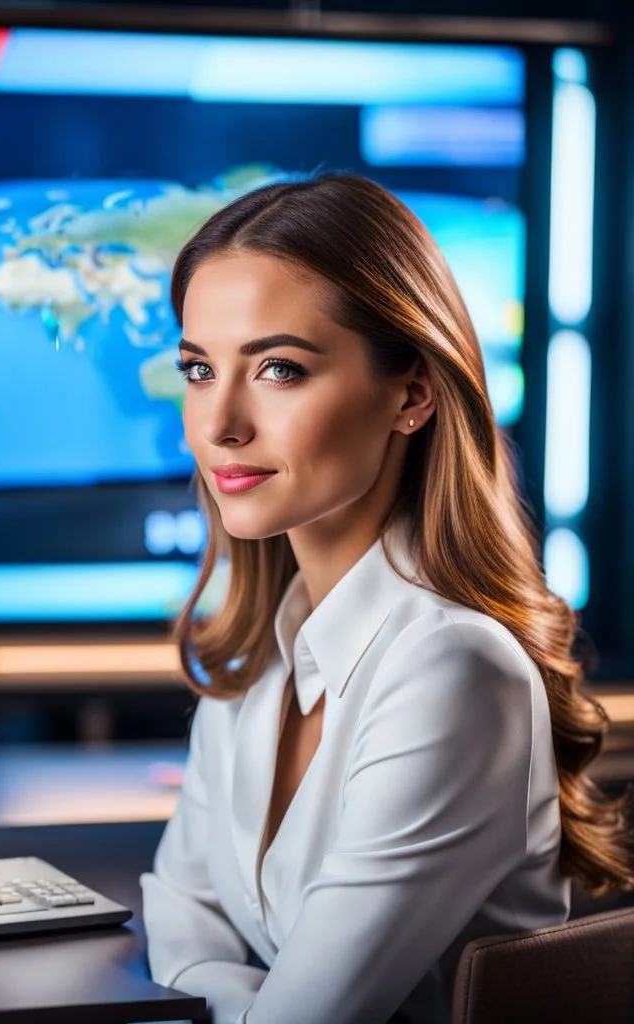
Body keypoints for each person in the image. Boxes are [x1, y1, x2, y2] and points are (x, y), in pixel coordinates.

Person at [140, 174, 634, 1024]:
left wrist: (219, 989)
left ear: (411, 394)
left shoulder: (452, 667)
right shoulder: (266, 647)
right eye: (198, 368)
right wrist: (240, 994)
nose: (219, 421)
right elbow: (178, 921)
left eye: (279, 369)